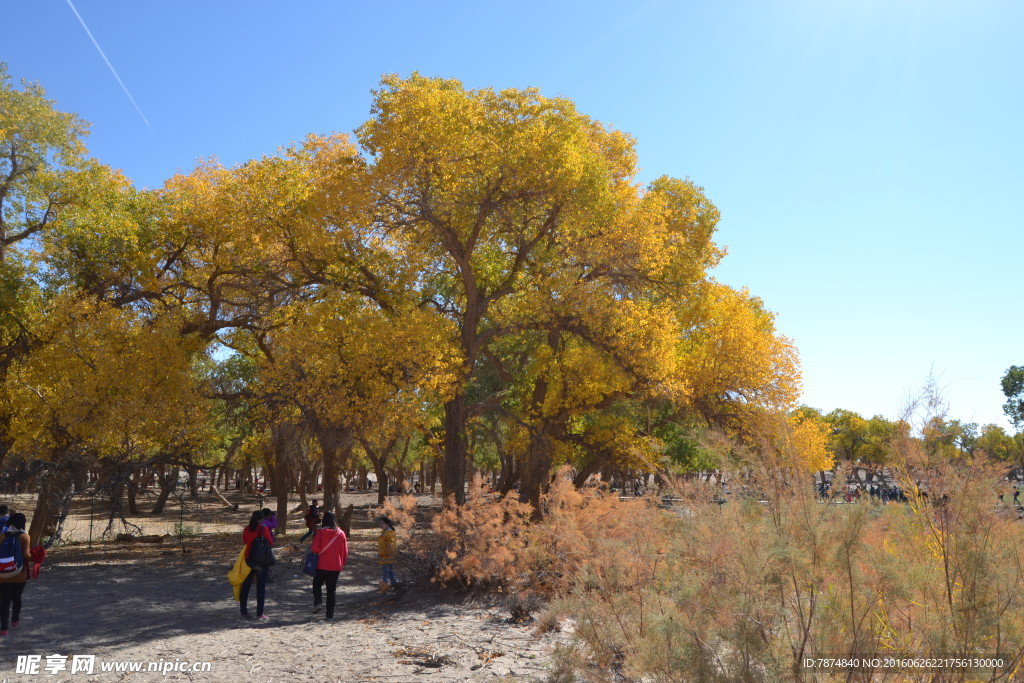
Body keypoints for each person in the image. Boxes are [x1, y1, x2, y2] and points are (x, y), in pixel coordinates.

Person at [310, 512, 348, 619]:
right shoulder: (341, 533)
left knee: (317, 584)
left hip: (321, 565)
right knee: (331, 590)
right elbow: (345, 551)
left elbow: (314, 549)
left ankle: (318, 603)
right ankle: (329, 614)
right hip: (335, 566)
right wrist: (343, 563)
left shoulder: (320, 533)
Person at [240, 510, 273, 620]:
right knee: (260, 587)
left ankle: (244, 611)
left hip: (248, 560)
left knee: (245, 587)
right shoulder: (263, 528)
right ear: (262, 519)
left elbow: (245, 541)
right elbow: (270, 541)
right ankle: (260, 613)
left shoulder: (246, 529)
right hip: (261, 561)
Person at [0, 513, 30, 636]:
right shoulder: (24, 537)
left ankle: (4, 628)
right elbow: (26, 555)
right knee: (16, 598)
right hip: (19, 574)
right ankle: (15, 619)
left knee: (4, 601)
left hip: (2, 574)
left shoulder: (2, 535)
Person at [377, 516, 399, 593]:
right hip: (387, 557)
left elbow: (391, 546)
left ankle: (384, 590)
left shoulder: (388, 534)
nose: (381, 525)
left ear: (387, 524)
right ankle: (396, 587)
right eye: (380, 523)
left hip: (386, 558)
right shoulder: (386, 532)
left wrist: (385, 554)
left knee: (385, 576)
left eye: (383, 523)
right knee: (391, 574)